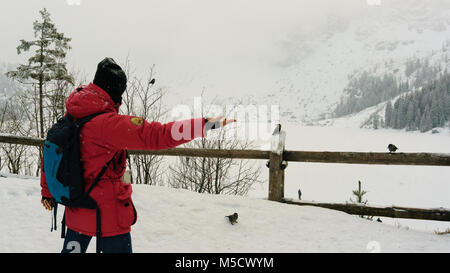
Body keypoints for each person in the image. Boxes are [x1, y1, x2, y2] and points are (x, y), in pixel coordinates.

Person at [40, 57, 235, 253]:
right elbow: (161, 135)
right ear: (115, 92)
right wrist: (207, 124)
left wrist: (47, 193)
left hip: (76, 209)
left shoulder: (73, 114)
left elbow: (52, 155)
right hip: (108, 218)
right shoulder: (107, 125)